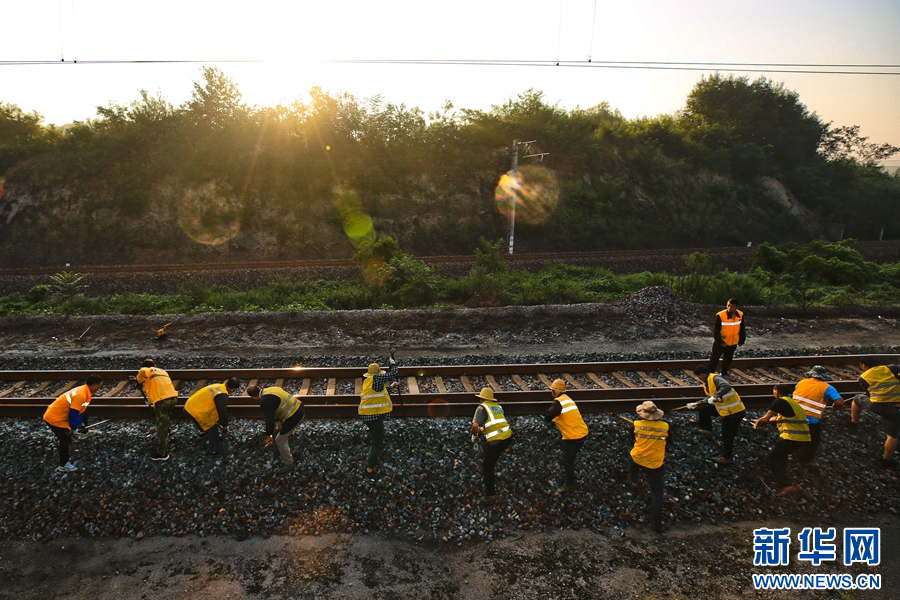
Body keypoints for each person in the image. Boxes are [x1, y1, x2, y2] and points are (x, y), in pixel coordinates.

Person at [754, 384, 811, 497]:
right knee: (782, 456)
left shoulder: (779, 401)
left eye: (774, 391)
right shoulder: (793, 403)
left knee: (771, 457)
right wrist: (765, 420)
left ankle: (787, 486)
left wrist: (758, 423)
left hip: (792, 438)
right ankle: (782, 481)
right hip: (803, 438)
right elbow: (778, 418)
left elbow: (766, 418)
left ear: (777, 391)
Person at [42, 374, 104, 472]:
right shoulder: (81, 395)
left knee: (70, 433)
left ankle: (83, 434)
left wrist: (81, 424)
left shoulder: (85, 391)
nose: (100, 387)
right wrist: (74, 428)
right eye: (100, 385)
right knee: (65, 439)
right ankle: (63, 465)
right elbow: (73, 414)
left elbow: (81, 410)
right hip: (54, 419)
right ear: (94, 385)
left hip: (59, 416)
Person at [688, 365, 745, 465]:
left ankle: (726, 457)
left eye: (698, 376)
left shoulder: (715, 378)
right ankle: (707, 429)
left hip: (734, 412)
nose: (698, 379)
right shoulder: (707, 382)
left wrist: (715, 396)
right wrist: (697, 403)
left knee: (727, 435)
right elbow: (710, 398)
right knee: (704, 410)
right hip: (725, 409)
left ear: (703, 374)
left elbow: (726, 386)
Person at [628, 401, 669, 533]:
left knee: (633, 463)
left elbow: (632, 438)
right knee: (657, 493)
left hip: (638, 458)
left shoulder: (636, 424)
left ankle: (633, 483)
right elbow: (669, 442)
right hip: (654, 463)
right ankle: (655, 522)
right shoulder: (665, 426)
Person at [852, 357, 900, 467]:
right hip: (896, 410)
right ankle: (885, 460)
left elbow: (868, 393)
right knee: (892, 436)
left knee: (856, 399)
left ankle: (853, 422)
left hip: (877, 406)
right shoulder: (891, 368)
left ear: (864, 365)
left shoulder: (863, 377)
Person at [246, 384, 305, 473]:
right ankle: (285, 437)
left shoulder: (264, 401)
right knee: (280, 428)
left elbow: (269, 420)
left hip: (295, 417)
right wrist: (273, 427)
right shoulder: (272, 389)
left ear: (253, 397)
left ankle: (289, 463)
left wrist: (269, 435)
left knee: (279, 440)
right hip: (299, 408)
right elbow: (277, 409)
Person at [543, 378, 589, 493]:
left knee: (567, 461)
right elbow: (564, 414)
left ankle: (570, 484)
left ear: (556, 392)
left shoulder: (558, 402)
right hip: (582, 432)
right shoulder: (568, 399)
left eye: (552, 390)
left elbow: (550, 413)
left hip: (573, 437)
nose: (551, 393)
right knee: (570, 456)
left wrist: (546, 420)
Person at [791, 365, 844, 465]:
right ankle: (804, 461)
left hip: (793, 415)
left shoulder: (801, 382)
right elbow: (840, 402)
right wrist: (835, 406)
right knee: (813, 442)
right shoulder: (828, 388)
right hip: (810, 420)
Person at [471, 387, 513, 500]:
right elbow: (494, 423)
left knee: (487, 466)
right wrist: (482, 430)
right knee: (495, 454)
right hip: (508, 436)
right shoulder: (497, 407)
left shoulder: (481, 408)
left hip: (497, 440)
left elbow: (475, 426)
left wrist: (475, 435)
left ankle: (491, 494)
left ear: (481, 399)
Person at [358, 358, 398, 476]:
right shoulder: (377, 378)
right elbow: (394, 374)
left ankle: (371, 459)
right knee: (378, 444)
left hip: (368, 415)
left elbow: (381, 393)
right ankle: (369, 468)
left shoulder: (369, 381)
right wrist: (393, 364)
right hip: (374, 417)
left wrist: (392, 386)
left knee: (375, 439)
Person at [135, 358, 179, 461]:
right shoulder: (163, 371)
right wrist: (151, 400)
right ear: (155, 365)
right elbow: (158, 387)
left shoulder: (145, 370)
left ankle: (162, 453)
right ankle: (167, 430)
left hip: (162, 401)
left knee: (161, 425)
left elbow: (141, 373)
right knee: (165, 416)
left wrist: (138, 381)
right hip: (173, 398)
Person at [184, 378, 240, 456]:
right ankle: (214, 449)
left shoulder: (219, 386)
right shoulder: (222, 395)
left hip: (189, 406)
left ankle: (203, 432)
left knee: (207, 421)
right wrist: (224, 425)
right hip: (196, 411)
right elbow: (222, 411)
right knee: (212, 427)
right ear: (233, 389)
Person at [708, 298, 745, 376]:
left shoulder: (740, 315)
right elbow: (716, 330)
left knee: (728, 359)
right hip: (721, 343)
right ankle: (710, 374)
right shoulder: (720, 315)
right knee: (715, 359)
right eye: (728, 305)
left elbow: (742, 328)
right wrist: (720, 342)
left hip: (732, 342)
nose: (729, 308)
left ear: (736, 307)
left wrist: (741, 340)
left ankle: (724, 373)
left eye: (732, 306)